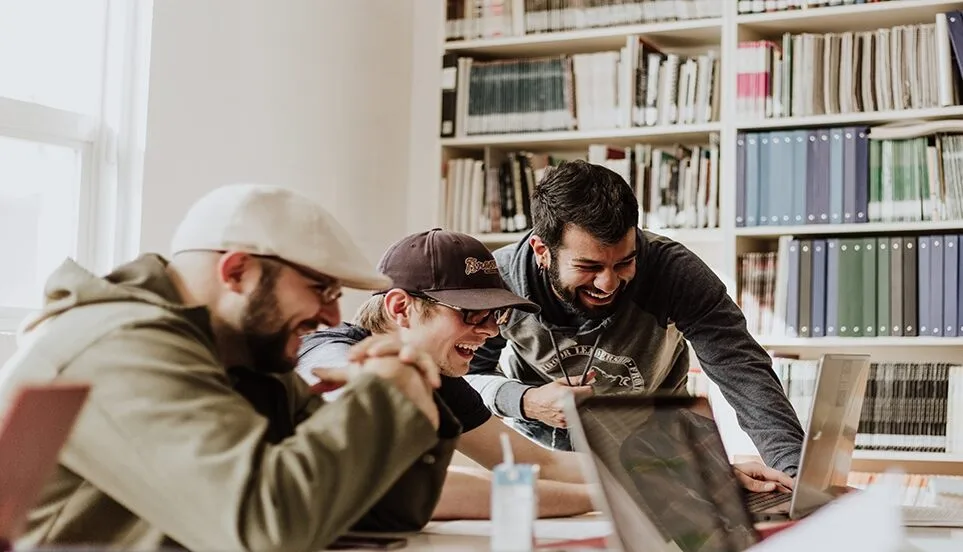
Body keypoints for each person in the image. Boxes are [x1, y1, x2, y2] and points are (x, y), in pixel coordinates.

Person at [0, 184, 458, 552]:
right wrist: (383, 398)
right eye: (321, 289)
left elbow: (378, 513)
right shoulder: (121, 346)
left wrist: (411, 394)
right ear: (237, 271)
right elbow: (264, 529)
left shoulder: (244, 355)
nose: (334, 318)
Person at [465, 159, 805, 486]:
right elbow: (467, 378)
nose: (608, 284)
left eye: (625, 262)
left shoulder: (674, 272)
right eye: (588, 267)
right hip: (544, 459)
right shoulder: (500, 279)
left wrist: (795, 476)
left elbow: (743, 370)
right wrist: (525, 400)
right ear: (542, 251)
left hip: (658, 456)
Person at [297, 228, 597, 519]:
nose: (491, 330)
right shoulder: (331, 356)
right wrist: (601, 498)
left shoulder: (436, 375)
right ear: (401, 308)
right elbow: (407, 486)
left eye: (496, 315)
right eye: (472, 312)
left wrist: (637, 477)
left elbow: (539, 463)